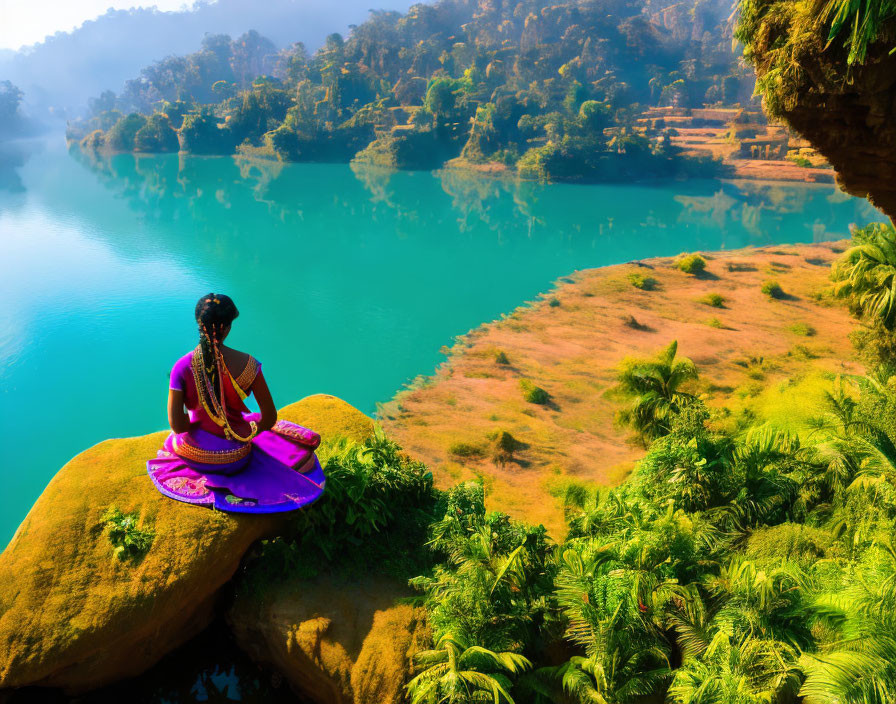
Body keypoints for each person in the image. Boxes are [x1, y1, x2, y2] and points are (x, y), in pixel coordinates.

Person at [146, 294, 325, 512]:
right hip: (237, 458)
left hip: (195, 456)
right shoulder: (249, 364)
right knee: (255, 421)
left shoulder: (181, 367)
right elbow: (269, 419)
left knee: (172, 440)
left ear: (198, 324)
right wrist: (244, 431)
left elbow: (177, 426)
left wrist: (197, 423)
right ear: (228, 327)